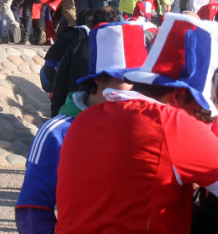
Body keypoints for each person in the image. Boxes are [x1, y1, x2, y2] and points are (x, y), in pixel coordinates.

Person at [57, 13, 218, 233]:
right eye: (196, 110)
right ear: (177, 97)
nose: (198, 119)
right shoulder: (170, 124)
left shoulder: (82, 119)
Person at [15, 22, 146, 234]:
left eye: (144, 82)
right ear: (100, 78)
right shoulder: (56, 132)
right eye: (130, 79)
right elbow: (33, 208)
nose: (139, 90)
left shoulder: (148, 125)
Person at [50, 8, 123, 117]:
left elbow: (60, 85)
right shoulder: (121, 52)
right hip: (107, 115)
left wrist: (56, 114)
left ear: (92, 24)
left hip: (74, 111)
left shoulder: (75, 46)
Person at [41, 9, 94, 95]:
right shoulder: (88, 40)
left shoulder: (64, 34)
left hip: (49, 78)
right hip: (73, 85)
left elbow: (49, 64)